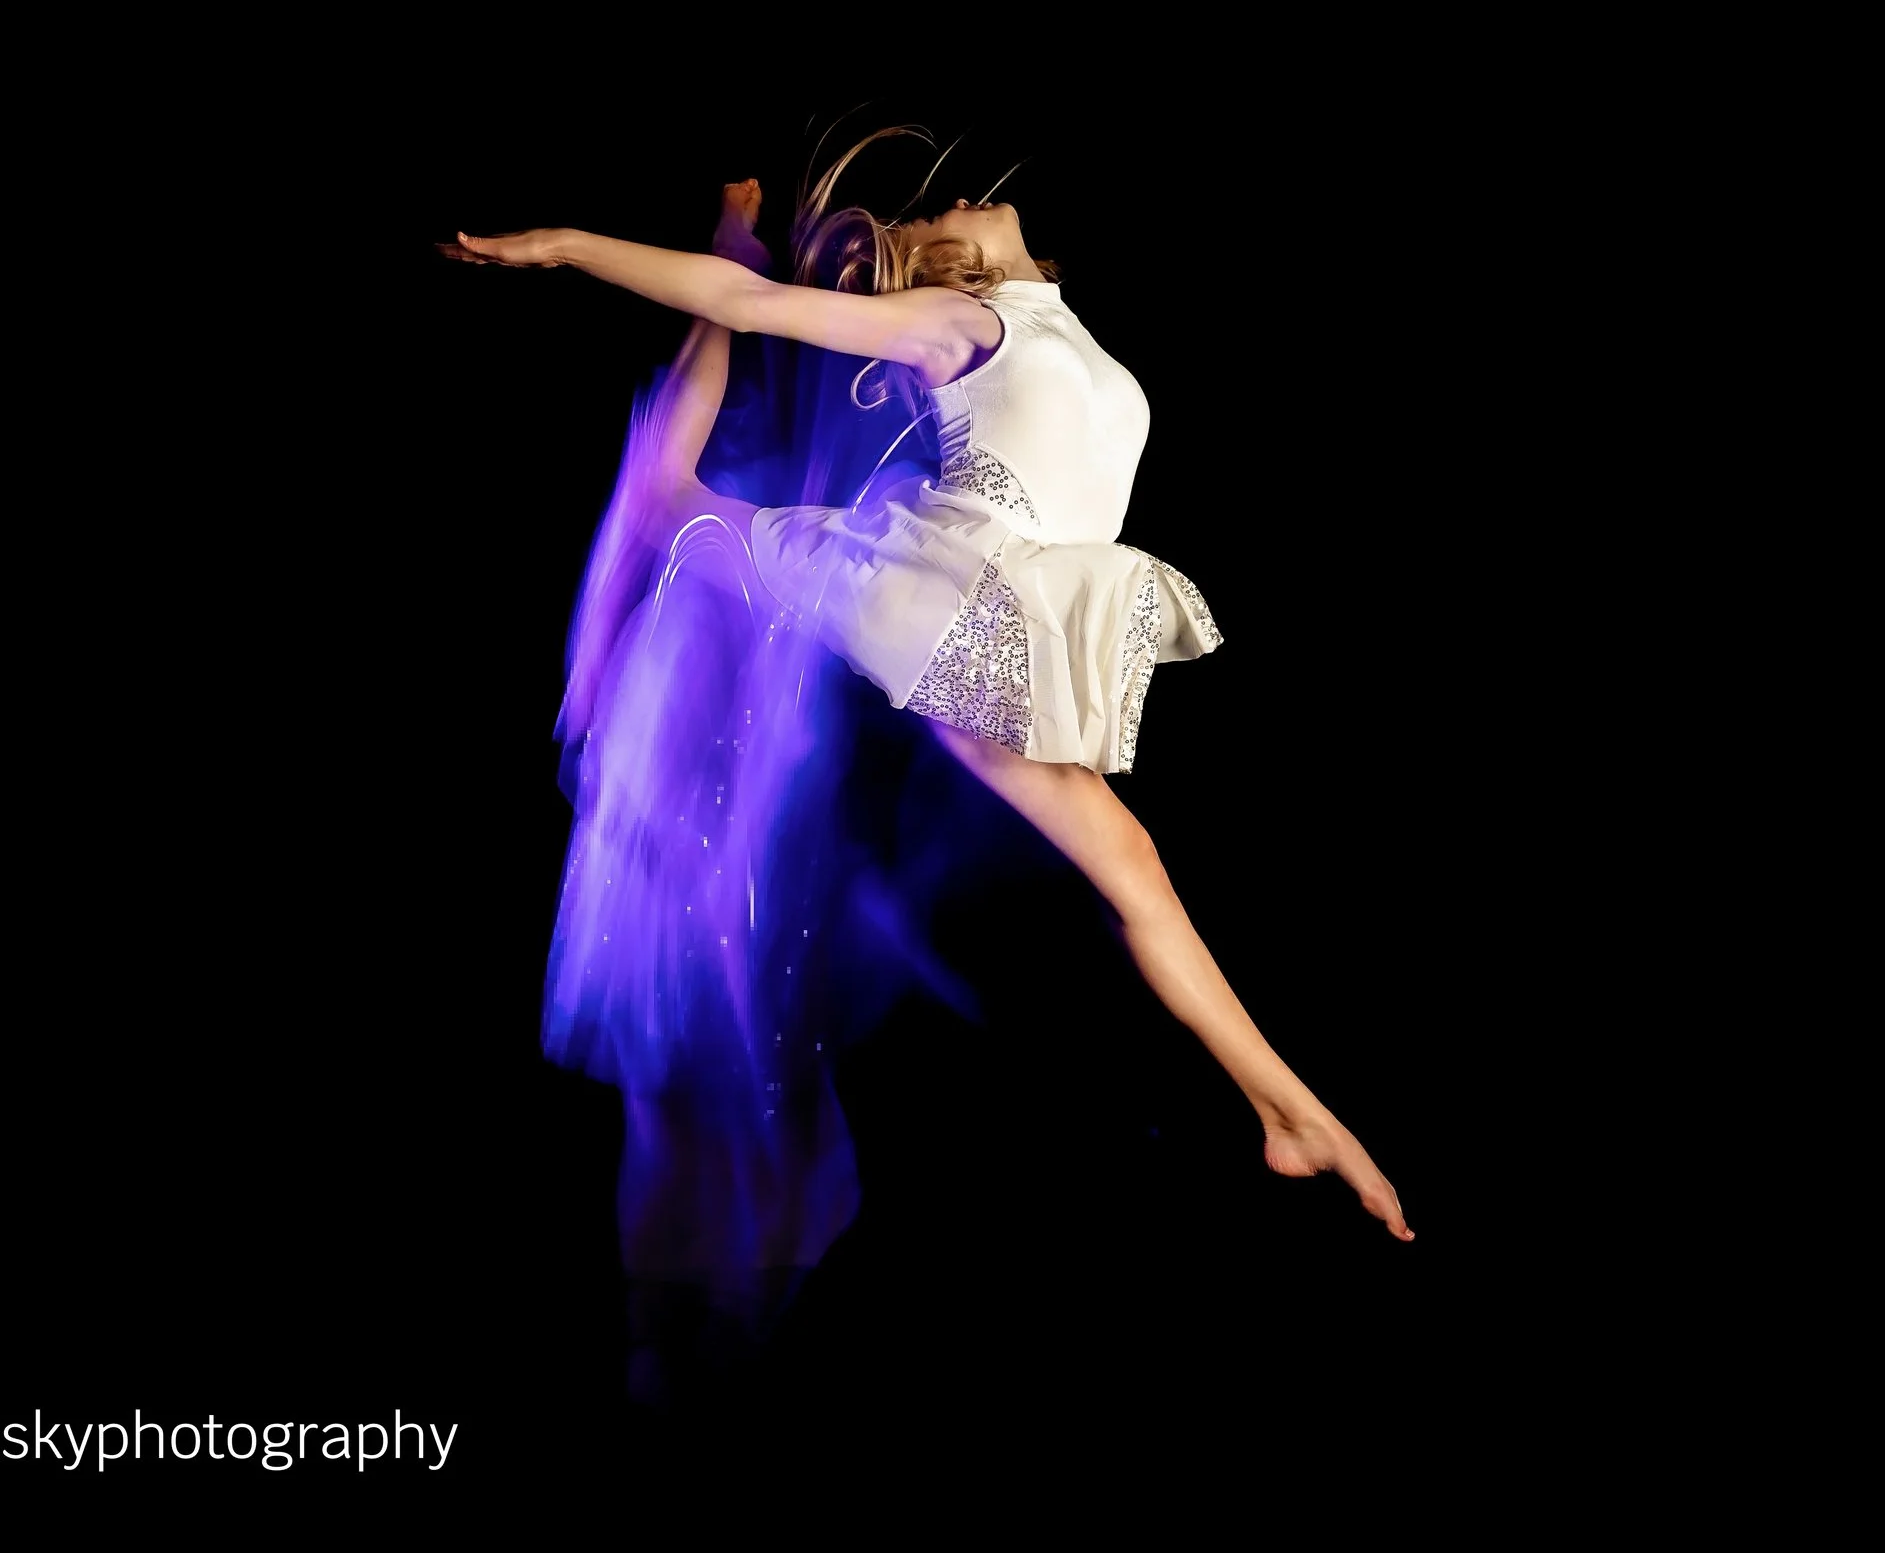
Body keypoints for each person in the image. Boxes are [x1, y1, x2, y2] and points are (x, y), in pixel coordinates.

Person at [446, 136, 1409, 1357]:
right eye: (949, 203)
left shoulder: (1044, 317)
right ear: (948, 255)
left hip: (979, 597)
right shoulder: (957, 319)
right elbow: (748, 308)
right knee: (679, 499)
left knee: (1134, 870)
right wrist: (570, 245)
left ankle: (1294, 1118)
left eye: (960, 196)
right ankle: (1294, 1115)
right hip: (944, 595)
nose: (968, 191)